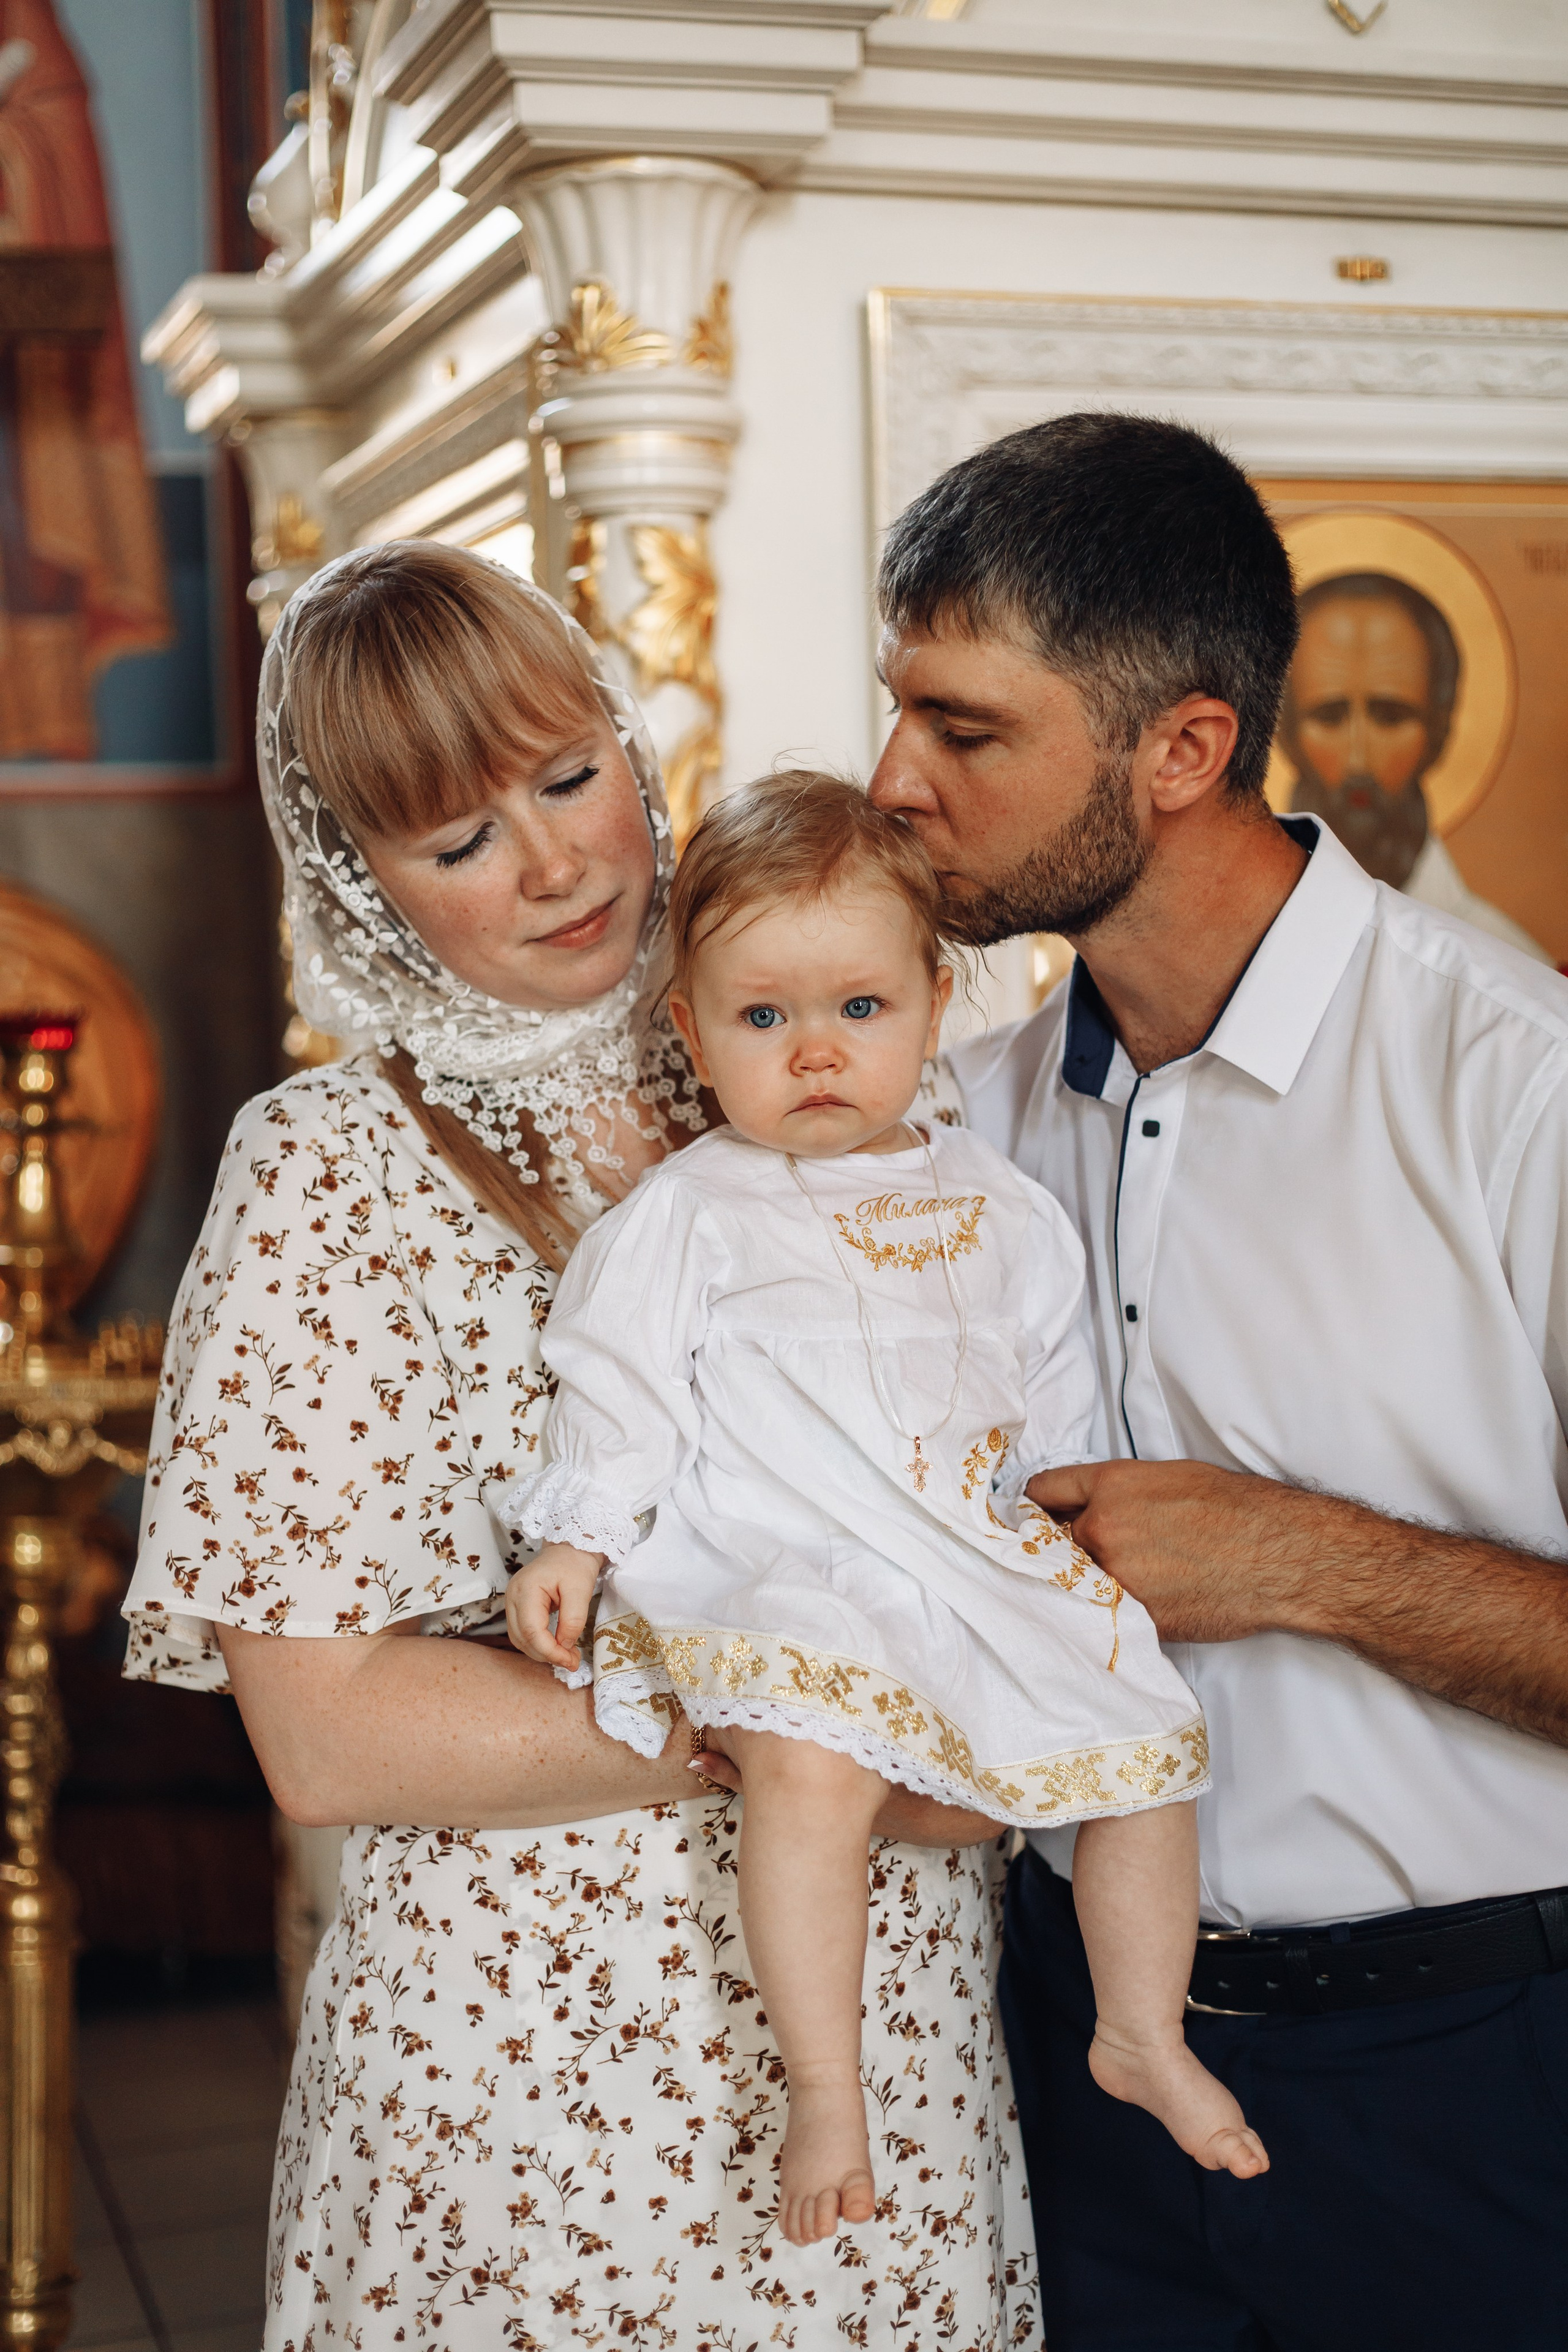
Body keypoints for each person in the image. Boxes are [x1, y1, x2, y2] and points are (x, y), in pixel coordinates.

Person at [121, 541, 1042, 2349]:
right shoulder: (326, 1171)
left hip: (890, 2045)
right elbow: (320, 1731)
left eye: (567, 777)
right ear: (358, 879)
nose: (552, 863)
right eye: (456, 841)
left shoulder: (842, 1046)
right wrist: (795, 1738)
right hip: (527, 2086)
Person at [868, 412, 1568, 2352]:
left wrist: (1300, 1560)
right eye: (894, 710)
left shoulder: (1518, 1089)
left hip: (1471, 2081)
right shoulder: (964, 1126)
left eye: (964, 729)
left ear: (1179, 749)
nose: (891, 781)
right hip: (1065, 2066)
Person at [502, 772, 1256, 2250]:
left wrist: (1055, 1551)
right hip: (785, 1558)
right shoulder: (692, 1209)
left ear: (930, 995)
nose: (816, 1055)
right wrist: (579, 1533)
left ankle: (1139, 2026)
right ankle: (826, 2085)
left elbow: (1053, 1393)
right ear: (690, 1029)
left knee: (1145, 1744)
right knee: (805, 1772)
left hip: (964, 1548)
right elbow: (619, 1380)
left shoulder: (999, 1204)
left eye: (857, 1008)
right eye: (761, 1019)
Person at [1281, 568, 1548, 959]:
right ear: (1285, 732)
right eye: (1329, 717)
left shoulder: (1503, 960)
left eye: (1390, 717)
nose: (1358, 761)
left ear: (1438, 731)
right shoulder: (1240, 946)